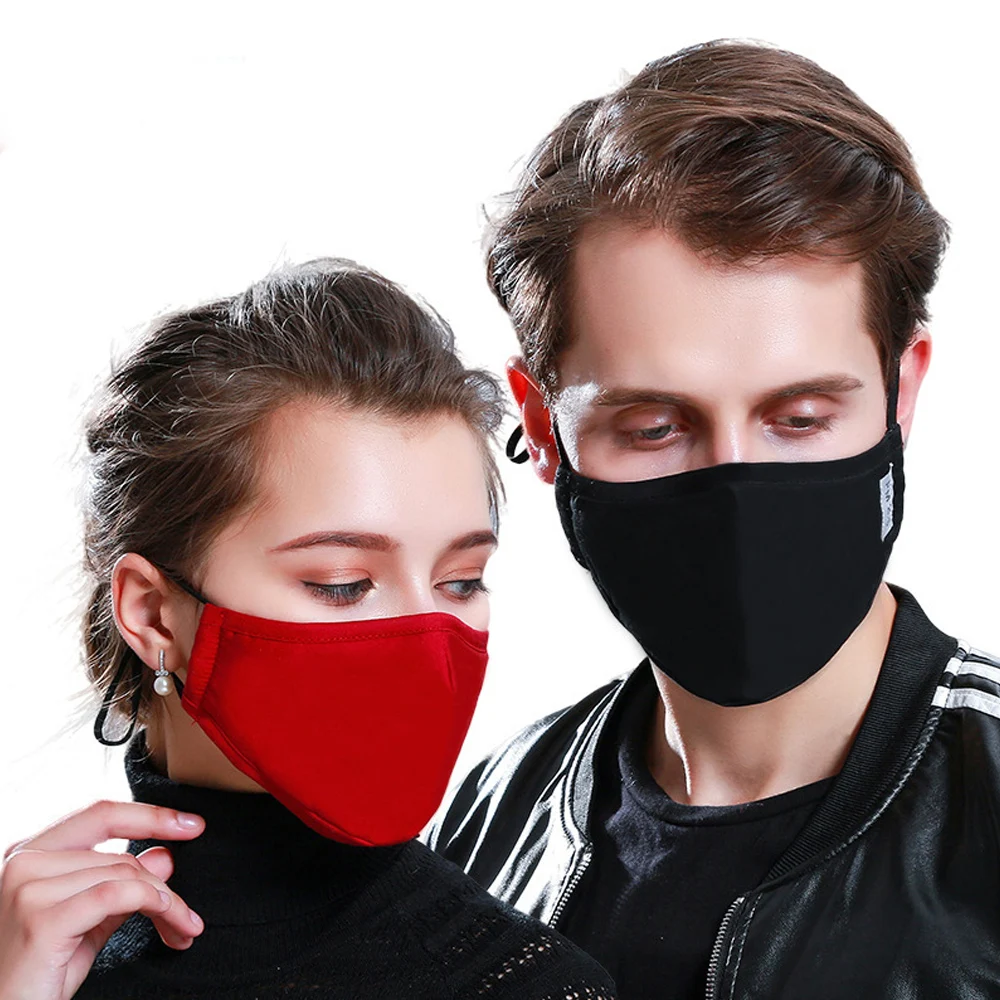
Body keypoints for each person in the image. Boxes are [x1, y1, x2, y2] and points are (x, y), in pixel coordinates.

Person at [429, 40, 1000, 999]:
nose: (735, 486)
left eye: (800, 419)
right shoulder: (492, 823)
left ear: (901, 395)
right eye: (654, 427)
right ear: (543, 427)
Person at [0, 260, 616, 1000]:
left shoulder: (524, 986)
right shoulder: (35, 962)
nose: (426, 643)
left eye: (460, 581)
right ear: (152, 614)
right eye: (342, 584)